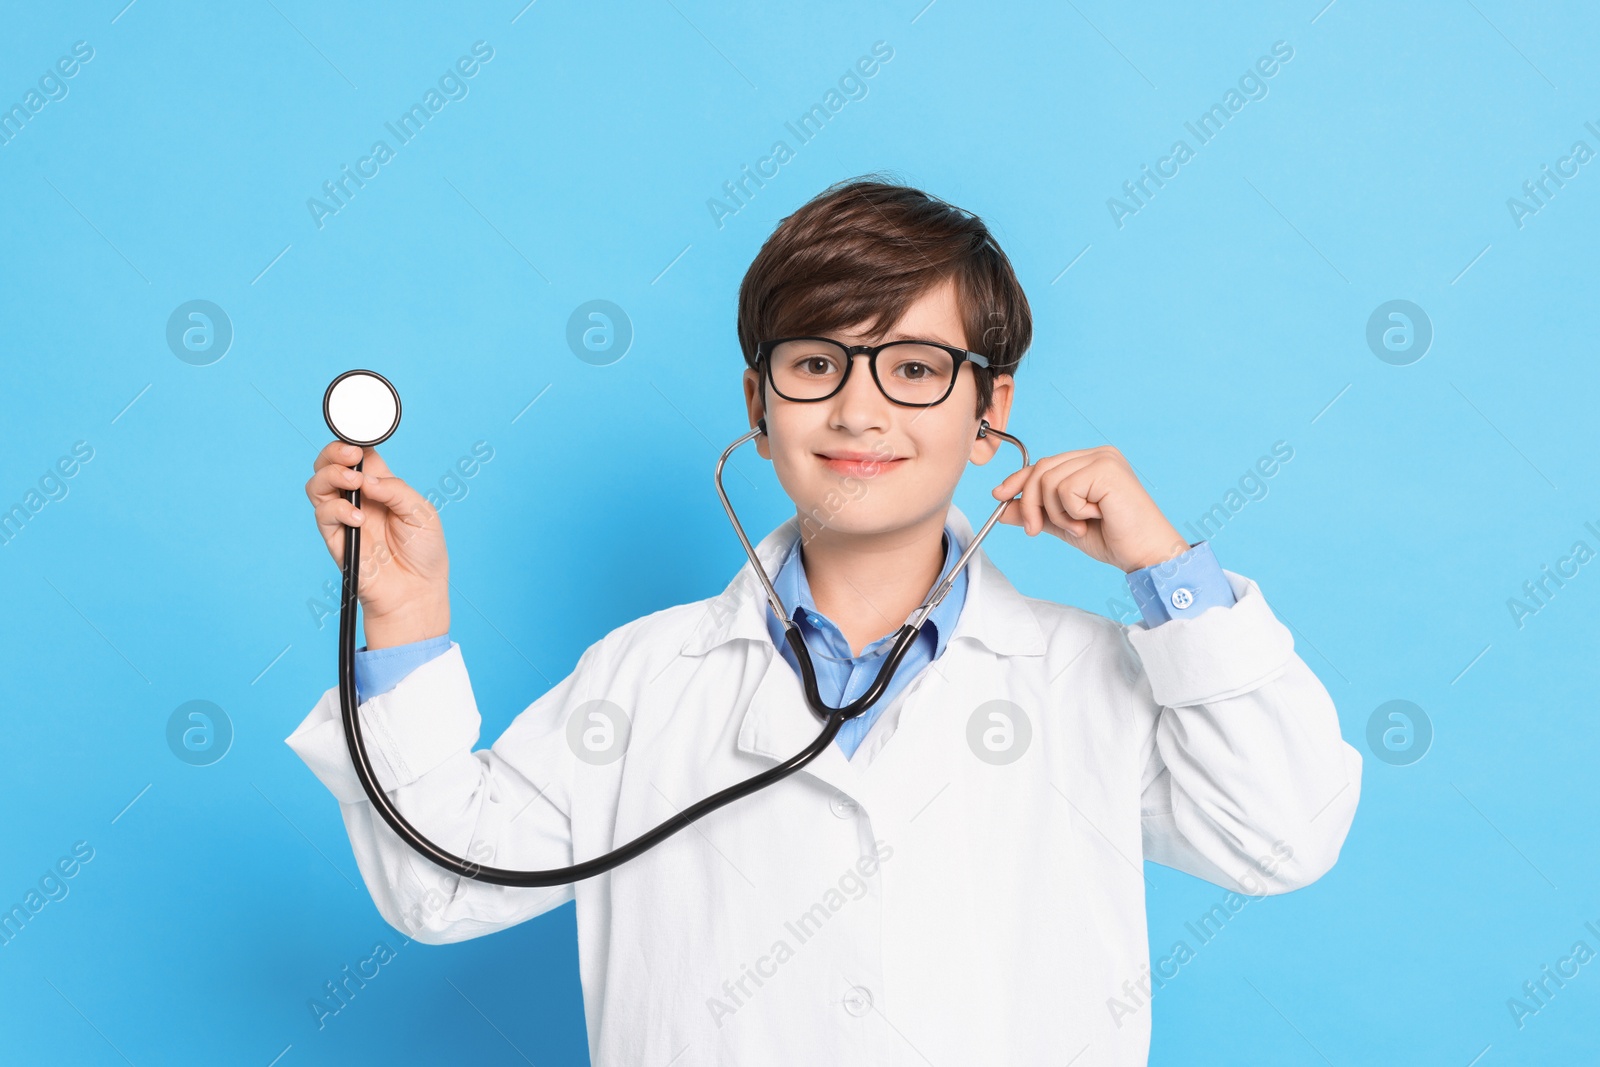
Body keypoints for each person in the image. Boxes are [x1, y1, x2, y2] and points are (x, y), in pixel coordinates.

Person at [286, 177, 1361, 1066]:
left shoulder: (1089, 679)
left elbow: (1280, 836)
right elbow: (437, 884)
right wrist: (406, 614)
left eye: (914, 367)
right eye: (816, 364)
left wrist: (1166, 570)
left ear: (992, 412)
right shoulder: (645, 676)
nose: (859, 409)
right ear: (757, 406)